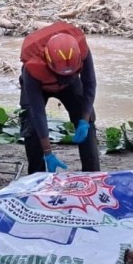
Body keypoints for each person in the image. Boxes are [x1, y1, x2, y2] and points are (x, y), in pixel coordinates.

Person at [19, 22, 100, 174]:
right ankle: (37, 175)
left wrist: (84, 119)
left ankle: (92, 173)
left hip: (71, 84)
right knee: (31, 124)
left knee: (88, 120)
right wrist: (48, 152)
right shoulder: (32, 69)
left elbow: (90, 84)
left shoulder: (81, 50)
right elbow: (38, 113)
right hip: (40, 85)